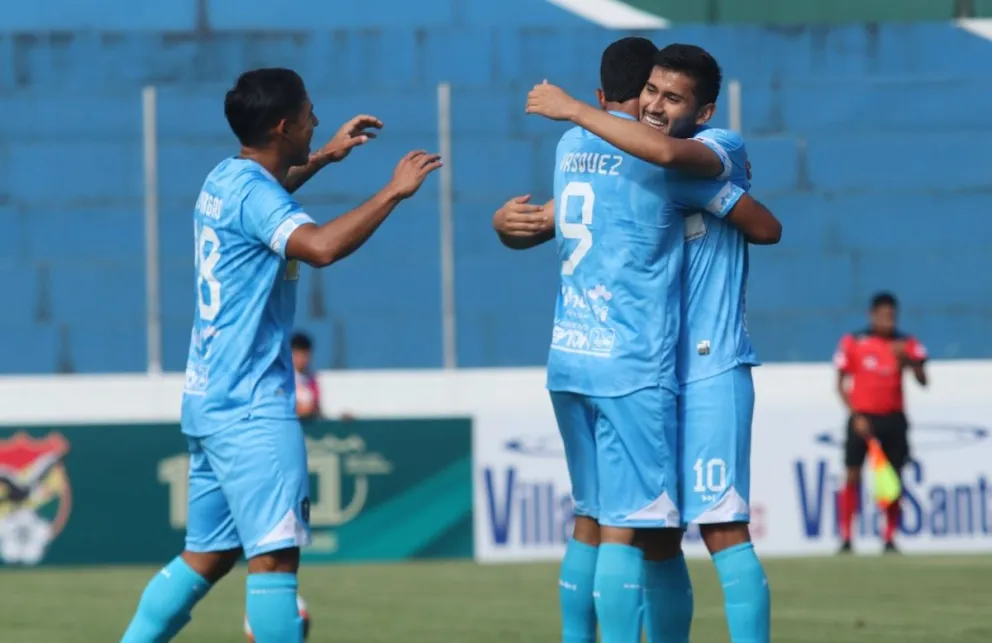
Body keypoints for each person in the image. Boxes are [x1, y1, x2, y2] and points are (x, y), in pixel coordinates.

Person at [120, 67, 441, 643]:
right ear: (284, 124)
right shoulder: (257, 193)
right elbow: (318, 248)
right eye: (311, 113)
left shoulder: (224, 178)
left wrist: (322, 159)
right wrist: (393, 190)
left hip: (209, 400)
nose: (318, 120)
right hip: (252, 408)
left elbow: (264, 203)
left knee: (207, 558)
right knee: (275, 562)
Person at [505, 43, 780, 643]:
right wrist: (514, 226)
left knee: (720, 527)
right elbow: (596, 203)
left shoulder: (715, 148)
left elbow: (766, 226)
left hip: (710, 365)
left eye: (672, 97)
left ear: (702, 111)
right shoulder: (644, 163)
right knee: (655, 531)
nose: (655, 106)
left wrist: (573, 109)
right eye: (651, 91)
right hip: (654, 366)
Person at [834, 292, 927, 554]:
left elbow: (923, 380)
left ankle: (889, 537)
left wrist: (907, 361)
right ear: (872, 315)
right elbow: (840, 384)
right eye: (883, 315)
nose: (888, 321)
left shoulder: (905, 343)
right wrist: (856, 415)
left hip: (893, 419)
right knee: (853, 473)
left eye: (892, 316)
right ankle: (846, 537)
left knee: (893, 478)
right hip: (863, 419)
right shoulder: (854, 342)